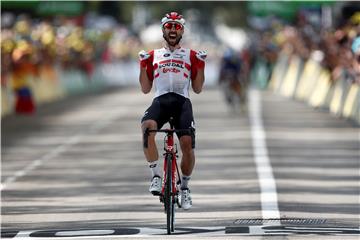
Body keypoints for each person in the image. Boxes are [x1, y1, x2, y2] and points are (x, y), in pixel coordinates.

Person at [138, 12, 207, 210]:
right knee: (147, 127)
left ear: (182, 30)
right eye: (169, 26)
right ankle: (156, 176)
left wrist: (200, 65)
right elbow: (144, 88)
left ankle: (184, 187)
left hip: (182, 103)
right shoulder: (152, 56)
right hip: (160, 100)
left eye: (177, 27)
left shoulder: (191, 55)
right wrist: (143, 66)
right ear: (163, 30)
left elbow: (198, 88)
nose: (173, 30)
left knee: (186, 144)